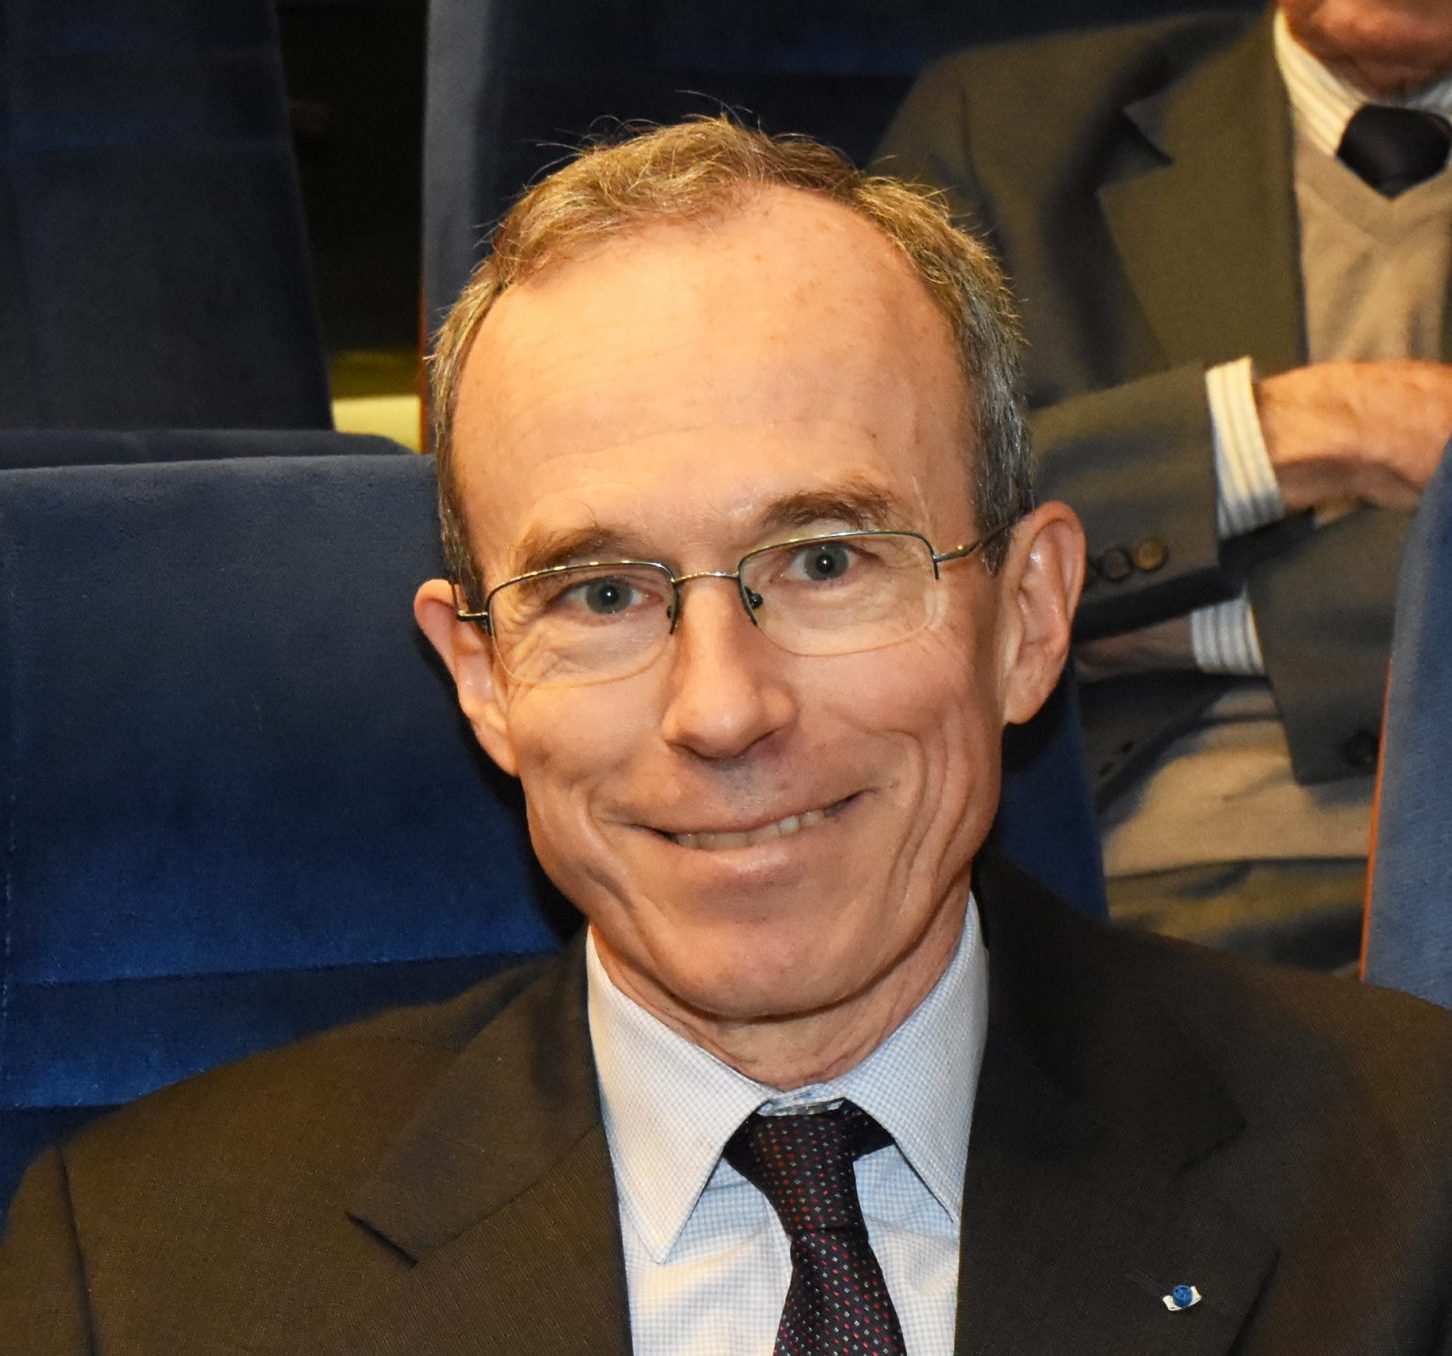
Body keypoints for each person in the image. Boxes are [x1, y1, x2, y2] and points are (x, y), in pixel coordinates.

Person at [4, 118, 1452, 1355]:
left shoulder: (1411, 1179)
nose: (721, 708)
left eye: (826, 561)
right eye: (601, 592)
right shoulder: (143, 1275)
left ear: (1026, 616)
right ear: (483, 677)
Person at [876, 0, 1452, 969]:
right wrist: (1307, 425)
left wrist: (1190, 617)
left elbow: (1013, 544)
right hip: (1129, 887)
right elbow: (896, 529)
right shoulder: (1004, 131)